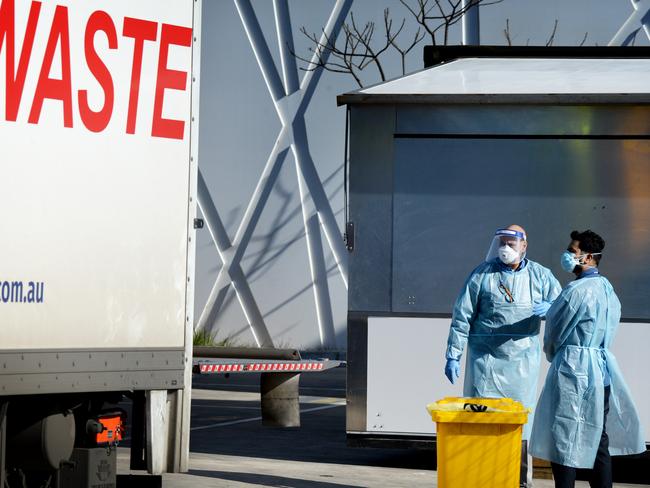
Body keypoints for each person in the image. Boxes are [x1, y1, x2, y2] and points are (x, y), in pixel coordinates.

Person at [445, 225, 561, 488]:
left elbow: (564, 308)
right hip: (483, 361)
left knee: (518, 424)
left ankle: (519, 481)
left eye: (511, 243)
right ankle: (480, 478)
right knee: (482, 419)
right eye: (503, 242)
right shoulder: (481, 275)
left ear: (524, 246)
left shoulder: (541, 276)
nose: (505, 248)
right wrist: (454, 354)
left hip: (522, 363)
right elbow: (462, 316)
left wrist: (551, 309)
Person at [530, 230, 645, 488]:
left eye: (573, 251)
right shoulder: (607, 289)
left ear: (589, 257)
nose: (568, 255)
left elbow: (555, 332)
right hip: (600, 370)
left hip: (573, 369)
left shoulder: (575, 291)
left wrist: (554, 354)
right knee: (598, 438)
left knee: (564, 435)